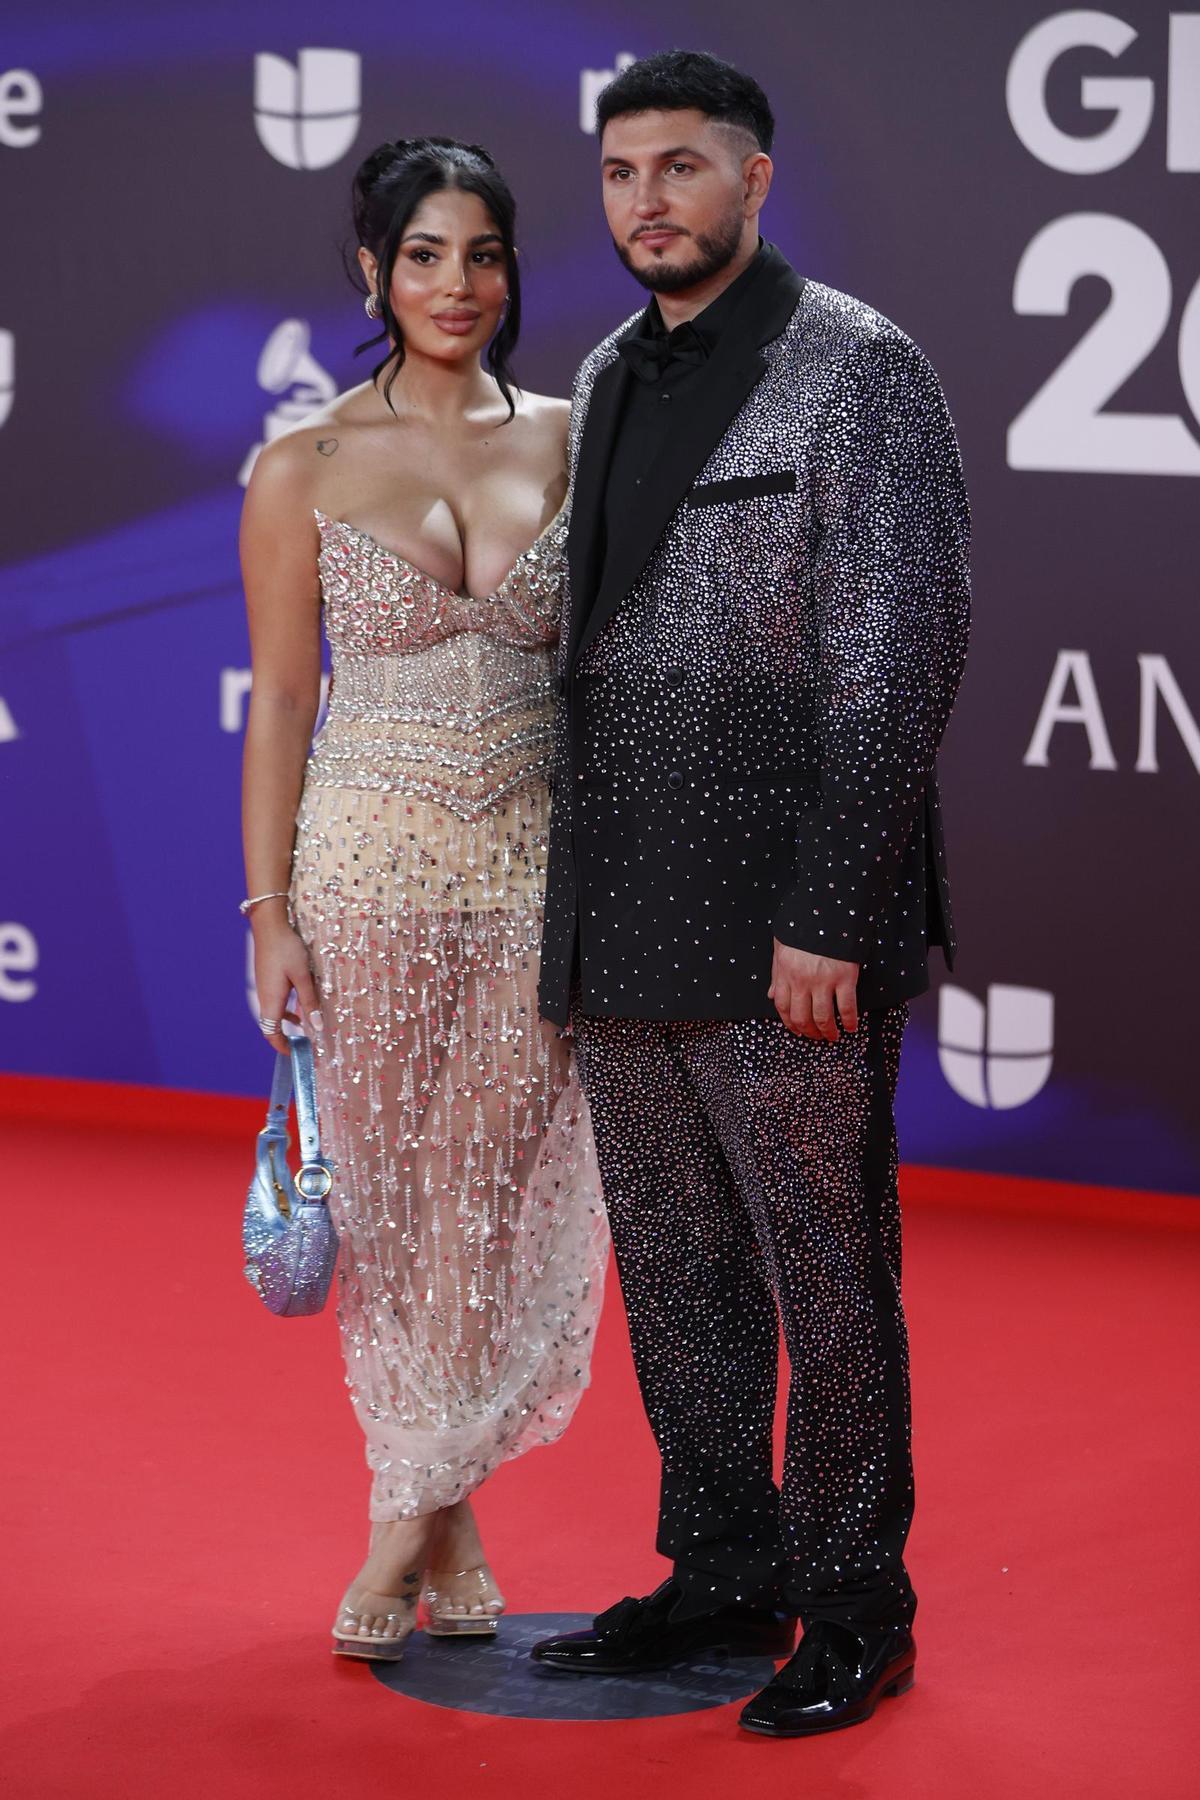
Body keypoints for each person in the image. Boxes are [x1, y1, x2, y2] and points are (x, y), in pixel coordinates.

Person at [532, 51, 971, 1737]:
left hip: (792, 924)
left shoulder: (860, 369)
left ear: (756, 177)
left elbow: (896, 660)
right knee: (679, 1269)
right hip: (622, 909)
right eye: (623, 171)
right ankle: (720, 1562)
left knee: (827, 1273)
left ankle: (858, 1605)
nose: (648, 198)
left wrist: (836, 910)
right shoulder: (604, 371)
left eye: (682, 167)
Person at [238, 137, 607, 1662]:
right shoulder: (303, 465)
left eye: (486, 256)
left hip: (537, 861)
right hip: (368, 866)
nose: (460, 286)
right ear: (374, 274)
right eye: (427, 257)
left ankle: (398, 1530)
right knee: (396, 1204)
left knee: (491, 1177)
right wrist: (268, 912)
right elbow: (276, 707)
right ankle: (448, 1519)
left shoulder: (581, 436)